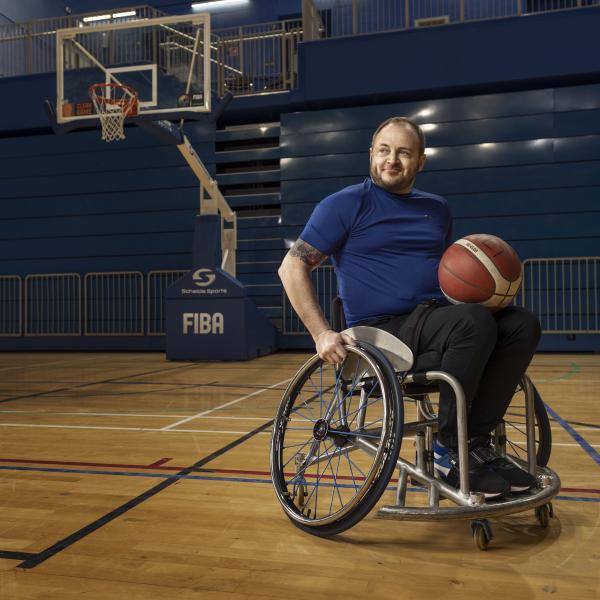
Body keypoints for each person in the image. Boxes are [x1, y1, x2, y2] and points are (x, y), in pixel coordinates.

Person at [278, 116, 541, 498]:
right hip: (380, 332)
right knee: (472, 323)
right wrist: (321, 333)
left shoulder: (436, 209)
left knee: (521, 324)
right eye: (384, 150)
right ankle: (449, 451)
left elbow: (449, 278)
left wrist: (491, 290)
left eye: (404, 152)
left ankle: (476, 444)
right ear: (371, 154)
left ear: (421, 161)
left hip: (434, 319)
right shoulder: (346, 204)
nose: (392, 160)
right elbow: (292, 266)